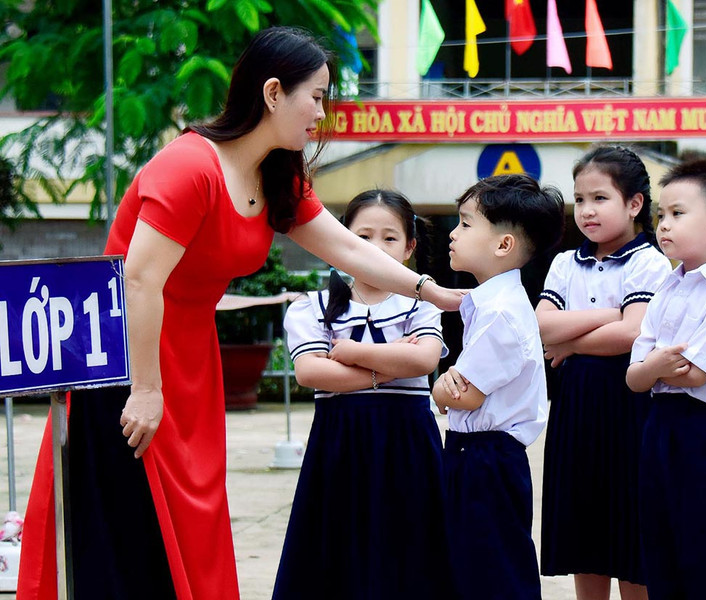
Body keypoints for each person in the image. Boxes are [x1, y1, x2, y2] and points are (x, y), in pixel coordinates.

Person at [17, 27, 463, 600]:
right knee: (135, 524)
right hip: (130, 359)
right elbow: (139, 278)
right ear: (274, 93)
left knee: (195, 515)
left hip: (190, 355)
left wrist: (436, 293)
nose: (322, 113)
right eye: (318, 96)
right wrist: (147, 390)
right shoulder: (189, 167)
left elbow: (351, 249)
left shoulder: (276, 175)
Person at [272, 189, 451, 599]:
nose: (376, 248)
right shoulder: (313, 306)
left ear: (410, 248)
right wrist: (392, 363)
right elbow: (311, 371)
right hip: (340, 445)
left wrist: (351, 353)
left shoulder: (422, 305)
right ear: (341, 245)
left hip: (408, 445)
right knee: (338, 555)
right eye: (362, 238)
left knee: (409, 554)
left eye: (390, 238)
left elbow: (423, 361)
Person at [537, 146, 670, 600]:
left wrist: (569, 341)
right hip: (575, 406)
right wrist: (613, 315)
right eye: (579, 200)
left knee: (630, 530)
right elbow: (541, 325)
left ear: (634, 204)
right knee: (583, 525)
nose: (587, 211)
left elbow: (634, 334)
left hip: (630, 406)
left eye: (599, 198)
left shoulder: (649, 261)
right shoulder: (562, 263)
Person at [625, 159, 706, 600]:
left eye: (677, 214)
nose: (663, 226)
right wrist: (654, 367)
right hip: (660, 428)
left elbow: (694, 373)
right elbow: (635, 377)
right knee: (661, 559)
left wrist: (653, 366)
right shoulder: (667, 285)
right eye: (661, 215)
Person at [432, 174, 565, 600]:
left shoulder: (500, 313)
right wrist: (448, 382)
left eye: (467, 224)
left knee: (493, 573)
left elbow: (462, 396)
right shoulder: (488, 303)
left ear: (503, 245)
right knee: (471, 569)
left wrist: (441, 385)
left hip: (485, 459)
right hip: (476, 455)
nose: (454, 233)